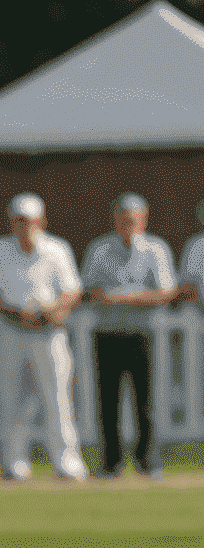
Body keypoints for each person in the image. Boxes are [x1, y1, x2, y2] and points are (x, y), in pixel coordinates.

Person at [0, 194, 85, 481]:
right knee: (12, 398)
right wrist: (14, 312)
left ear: (42, 221)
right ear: (12, 223)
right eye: (20, 221)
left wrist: (52, 310)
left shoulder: (56, 249)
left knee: (58, 398)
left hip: (49, 333)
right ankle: (14, 463)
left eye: (30, 221)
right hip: (12, 331)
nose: (25, 227)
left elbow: (71, 290)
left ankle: (67, 461)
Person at [81, 193, 174, 479]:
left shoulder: (156, 250)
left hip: (142, 333)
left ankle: (147, 460)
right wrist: (106, 297)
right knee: (107, 400)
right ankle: (111, 461)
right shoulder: (99, 249)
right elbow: (86, 290)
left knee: (145, 400)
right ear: (115, 218)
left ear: (144, 219)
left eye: (133, 218)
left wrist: (127, 297)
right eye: (123, 217)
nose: (128, 223)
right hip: (108, 333)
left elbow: (166, 292)